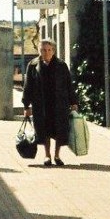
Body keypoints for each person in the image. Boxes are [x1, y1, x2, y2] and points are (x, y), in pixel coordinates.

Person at [22, 38, 77, 167]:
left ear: (53, 51)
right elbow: (27, 86)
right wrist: (26, 105)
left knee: (59, 130)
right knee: (44, 130)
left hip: (59, 104)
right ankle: (47, 155)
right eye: (43, 50)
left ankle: (57, 155)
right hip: (41, 104)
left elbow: (69, 84)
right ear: (39, 50)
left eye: (49, 50)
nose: (46, 53)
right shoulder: (33, 65)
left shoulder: (61, 65)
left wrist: (73, 102)